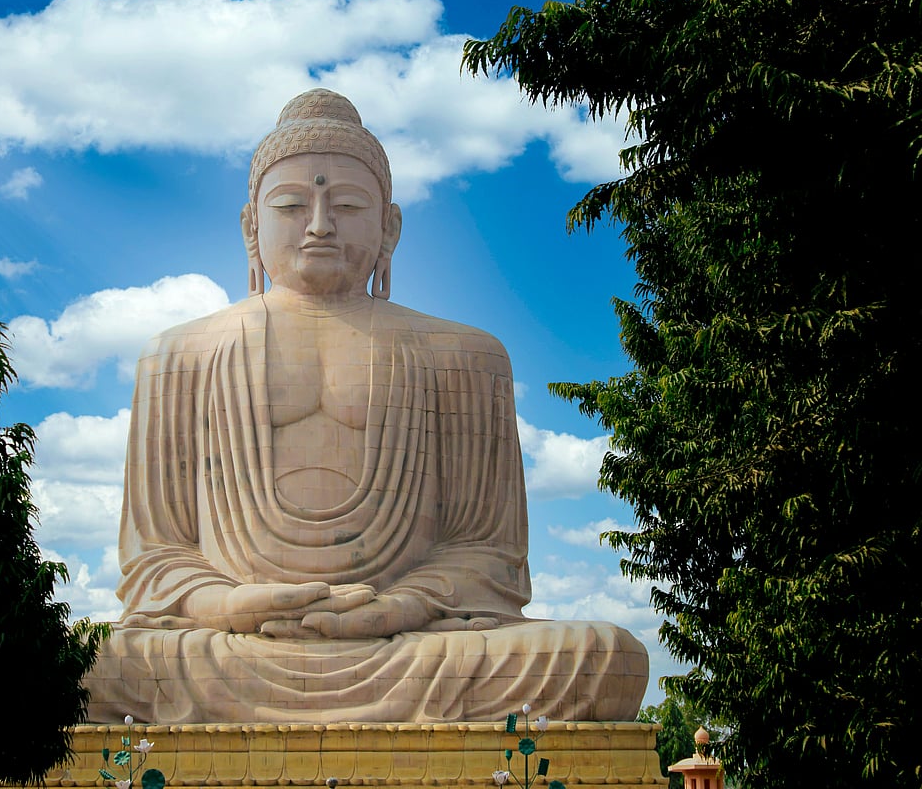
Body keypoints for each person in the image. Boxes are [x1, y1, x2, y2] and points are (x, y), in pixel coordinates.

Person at [83, 89, 647, 724]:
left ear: (390, 226)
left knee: (605, 657)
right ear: (250, 226)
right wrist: (225, 605)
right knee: (80, 661)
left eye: (348, 205)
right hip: (233, 644)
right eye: (291, 205)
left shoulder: (465, 354)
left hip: (411, 643)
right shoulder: (178, 354)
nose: (320, 224)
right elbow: (156, 557)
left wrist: (400, 607)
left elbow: (488, 554)